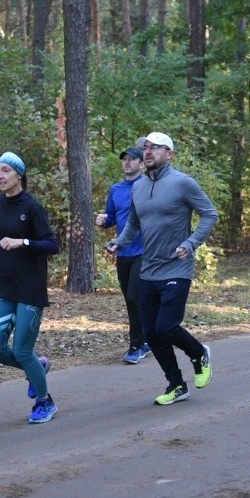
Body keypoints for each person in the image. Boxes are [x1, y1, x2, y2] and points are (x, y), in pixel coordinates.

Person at [107, 132, 219, 405]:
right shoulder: (139, 187)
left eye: (155, 147)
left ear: (169, 154)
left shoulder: (183, 183)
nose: (147, 151)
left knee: (166, 327)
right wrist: (120, 242)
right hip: (149, 269)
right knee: (151, 333)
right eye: (145, 147)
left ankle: (198, 353)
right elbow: (134, 222)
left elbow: (210, 214)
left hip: (177, 268)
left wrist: (191, 243)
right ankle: (177, 385)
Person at [0, 151, 60, 423]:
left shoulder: (32, 207)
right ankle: (37, 368)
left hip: (30, 288)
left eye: (5, 171)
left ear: (19, 175)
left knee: (22, 351)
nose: (0, 176)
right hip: (5, 287)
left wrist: (23, 243)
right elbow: (0, 237)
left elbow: (52, 245)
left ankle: (44, 402)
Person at [96, 145, 151, 364]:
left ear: (141, 163)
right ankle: (147, 340)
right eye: (124, 159)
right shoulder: (116, 189)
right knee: (132, 301)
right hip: (123, 252)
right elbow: (112, 217)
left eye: (132, 159)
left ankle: (135, 346)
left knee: (133, 297)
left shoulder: (148, 186)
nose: (127, 162)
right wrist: (104, 221)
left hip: (144, 251)